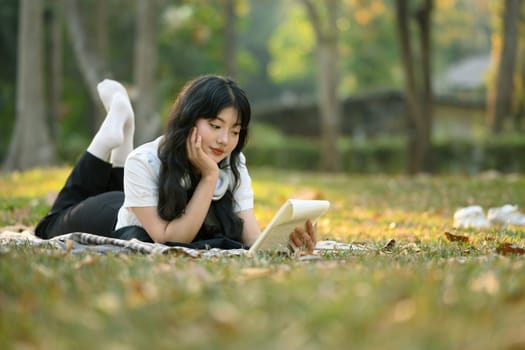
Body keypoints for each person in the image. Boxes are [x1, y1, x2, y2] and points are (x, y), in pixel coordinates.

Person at [35, 75, 316, 252]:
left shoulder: (234, 162)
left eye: (234, 130)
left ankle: (122, 129)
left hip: (139, 200)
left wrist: (286, 243)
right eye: (215, 125)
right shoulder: (144, 161)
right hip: (107, 213)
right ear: (190, 118)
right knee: (48, 226)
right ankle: (108, 137)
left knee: (132, 183)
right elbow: (171, 240)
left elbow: (250, 235)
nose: (224, 140)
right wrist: (208, 178)